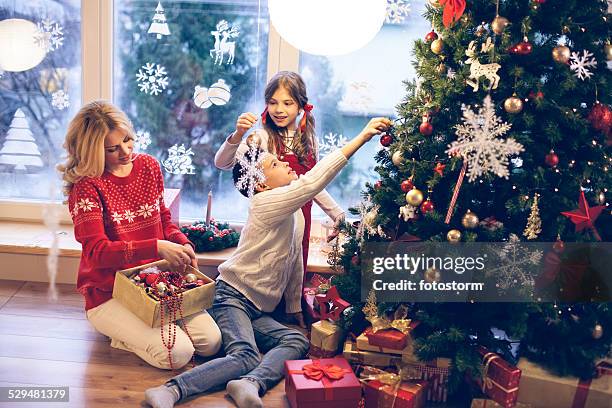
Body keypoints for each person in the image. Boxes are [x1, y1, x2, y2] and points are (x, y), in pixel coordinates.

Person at [144, 116, 392, 408]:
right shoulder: (265, 203)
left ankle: (251, 383)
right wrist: (361, 138)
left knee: (297, 342)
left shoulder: (292, 210)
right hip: (231, 297)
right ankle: (171, 390)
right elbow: (314, 181)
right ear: (260, 185)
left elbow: (292, 261)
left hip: (258, 307)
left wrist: (294, 306)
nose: (286, 164)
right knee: (244, 354)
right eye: (275, 165)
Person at [58, 101, 221, 369]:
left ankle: (148, 324)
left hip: (155, 284)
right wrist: (157, 247)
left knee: (211, 343)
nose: (125, 152)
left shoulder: (148, 166)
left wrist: (182, 243)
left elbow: (164, 220)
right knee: (176, 355)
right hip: (109, 293)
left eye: (127, 140)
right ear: (92, 151)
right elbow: (97, 253)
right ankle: (118, 334)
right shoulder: (87, 187)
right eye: (112, 149)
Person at [214, 71, 344, 274]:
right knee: (271, 274)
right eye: (273, 103)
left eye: (287, 103)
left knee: (295, 276)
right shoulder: (262, 137)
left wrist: (338, 215)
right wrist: (238, 134)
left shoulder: (309, 141)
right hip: (275, 226)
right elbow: (223, 163)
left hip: (303, 221)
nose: (279, 109)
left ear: (301, 106)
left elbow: (312, 184)